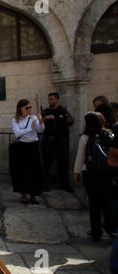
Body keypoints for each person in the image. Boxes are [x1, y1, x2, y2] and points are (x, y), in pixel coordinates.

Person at [74, 112, 115, 241]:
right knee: (107, 202)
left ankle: (96, 231)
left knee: (94, 203)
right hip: (108, 173)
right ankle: (111, 229)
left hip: (91, 173)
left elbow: (80, 157)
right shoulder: (110, 135)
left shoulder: (85, 137)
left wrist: (77, 171)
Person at [10, 99, 45, 204]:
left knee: (34, 171)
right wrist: (30, 128)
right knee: (22, 171)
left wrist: (41, 122)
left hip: (33, 146)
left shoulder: (33, 118)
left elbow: (40, 130)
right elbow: (17, 133)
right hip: (22, 147)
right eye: (26, 108)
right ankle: (23, 194)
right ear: (20, 108)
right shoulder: (15, 120)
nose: (29, 110)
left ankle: (33, 195)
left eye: (30, 107)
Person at [41, 92, 74, 192]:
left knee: (63, 163)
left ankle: (65, 184)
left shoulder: (62, 110)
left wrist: (58, 118)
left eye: (51, 99)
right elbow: (40, 121)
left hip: (61, 141)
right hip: (49, 140)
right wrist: (45, 118)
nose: (49, 101)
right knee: (47, 163)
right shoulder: (46, 111)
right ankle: (45, 184)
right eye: (49, 99)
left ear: (57, 99)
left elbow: (70, 121)